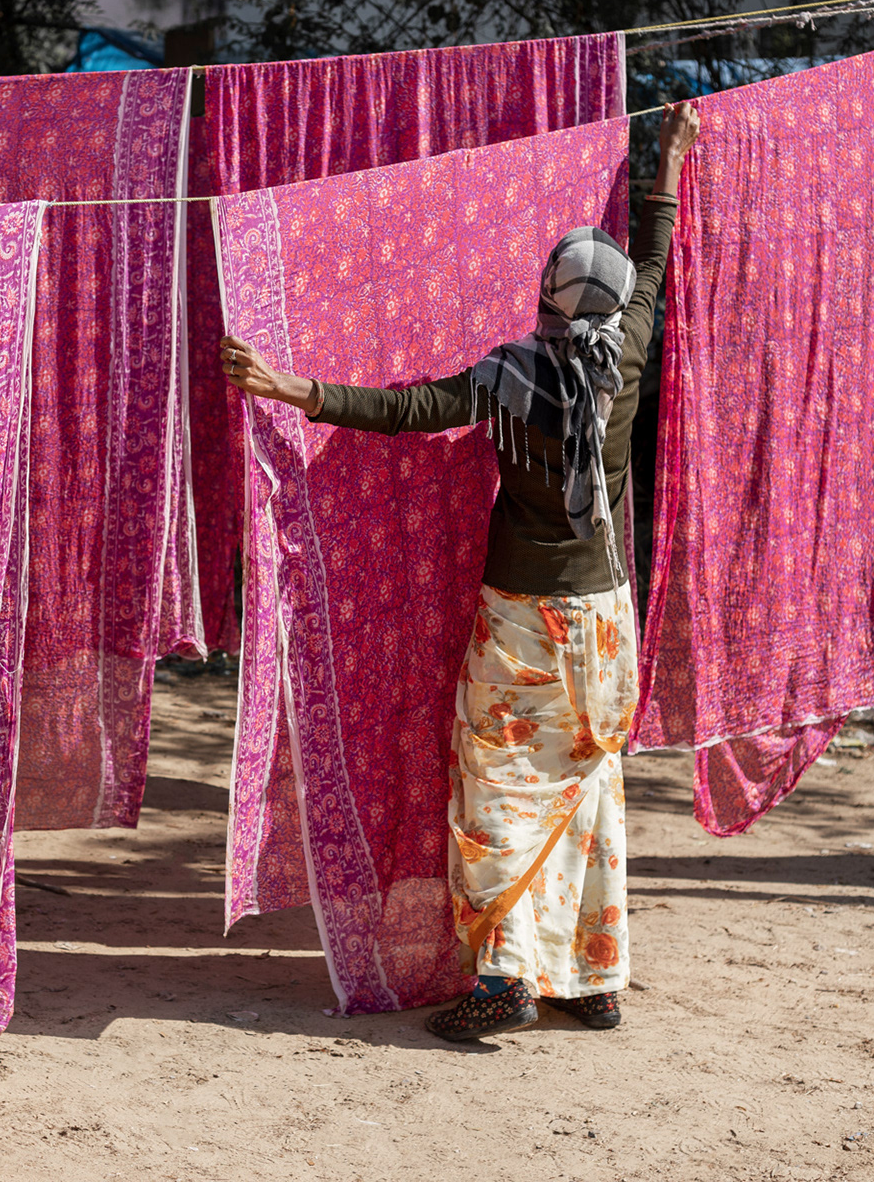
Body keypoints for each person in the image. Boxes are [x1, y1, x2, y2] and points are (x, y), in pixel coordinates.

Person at [217, 101, 701, 1041]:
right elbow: (653, 258)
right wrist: (670, 158)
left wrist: (290, 388)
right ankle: (593, 978)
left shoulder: (508, 376)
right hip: (606, 619)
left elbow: (408, 410)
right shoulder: (630, 353)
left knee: (497, 788)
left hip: (522, 618)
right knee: (586, 785)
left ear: (547, 297)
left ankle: (505, 974)